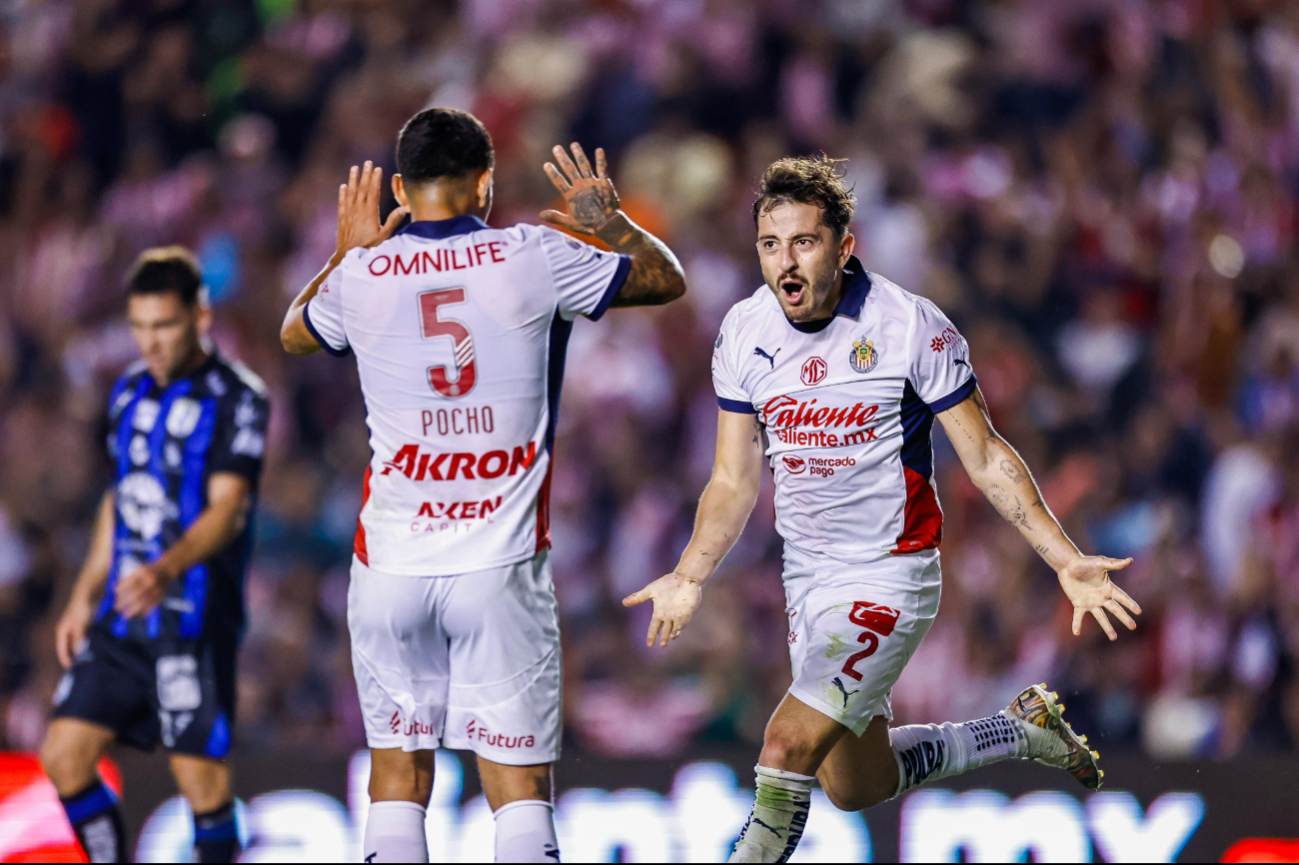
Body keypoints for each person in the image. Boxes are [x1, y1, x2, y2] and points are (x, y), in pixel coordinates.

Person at [623, 156, 1143, 864]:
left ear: (843, 245)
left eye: (803, 242)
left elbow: (985, 455)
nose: (785, 263)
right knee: (855, 784)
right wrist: (689, 573)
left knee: (785, 746)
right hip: (807, 580)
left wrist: (1064, 558)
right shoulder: (744, 332)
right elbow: (730, 480)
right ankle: (1020, 731)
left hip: (890, 576)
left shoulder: (909, 327)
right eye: (770, 246)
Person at [279, 107, 685, 864]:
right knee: (518, 786)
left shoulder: (362, 275)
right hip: (497, 566)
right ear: (486, 185)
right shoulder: (535, 254)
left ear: (400, 186)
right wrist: (613, 223)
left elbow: (296, 332)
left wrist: (344, 253)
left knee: (396, 775)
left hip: (390, 565)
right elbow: (666, 281)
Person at [40, 247, 270, 863]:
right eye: (140, 327)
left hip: (191, 620)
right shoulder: (128, 395)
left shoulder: (238, 398)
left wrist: (166, 569)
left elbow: (231, 508)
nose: (151, 342)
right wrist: (83, 595)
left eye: (164, 325)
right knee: (64, 756)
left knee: (201, 783)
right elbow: (121, 500)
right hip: (122, 619)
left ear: (200, 315)